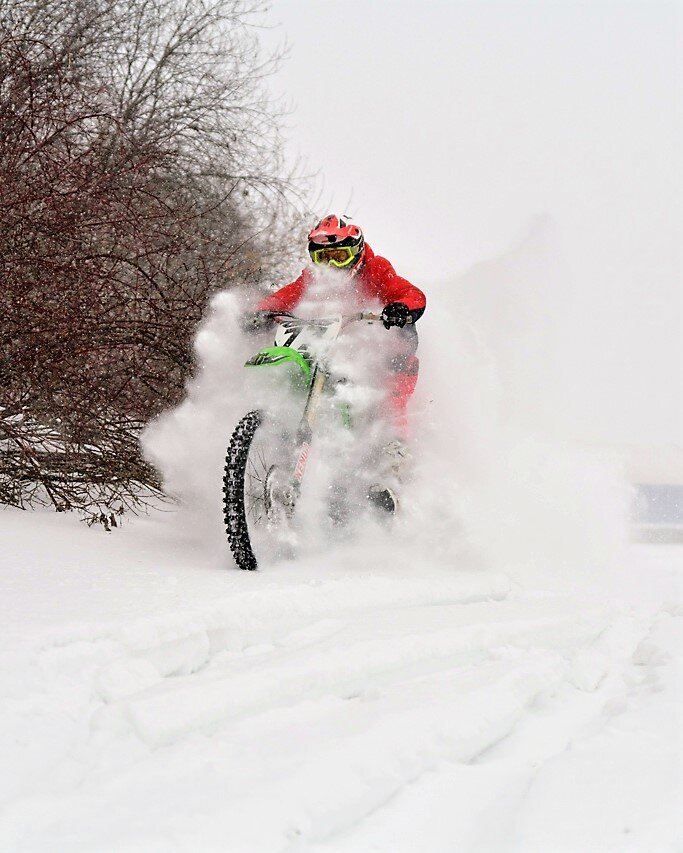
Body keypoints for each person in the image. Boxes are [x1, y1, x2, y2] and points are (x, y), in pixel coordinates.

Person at [242, 214, 426, 511]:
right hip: (330, 349)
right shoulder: (313, 278)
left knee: (388, 406)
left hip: (383, 355)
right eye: (323, 258)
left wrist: (400, 308)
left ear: (356, 252)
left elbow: (410, 293)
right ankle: (288, 442)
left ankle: (392, 476)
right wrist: (262, 311)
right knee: (296, 373)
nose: (331, 266)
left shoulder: (376, 269)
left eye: (339, 257)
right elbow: (286, 295)